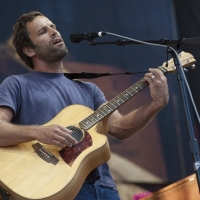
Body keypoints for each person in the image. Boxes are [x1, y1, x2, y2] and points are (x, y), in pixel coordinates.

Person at [0, 11, 169, 200]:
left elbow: (119, 127)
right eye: (43, 31)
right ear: (29, 50)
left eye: (53, 27)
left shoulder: (89, 89)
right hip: (53, 187)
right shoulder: (17, 84)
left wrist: (155, 104)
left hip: (104, 189)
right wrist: (39, 132)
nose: (54, 32)